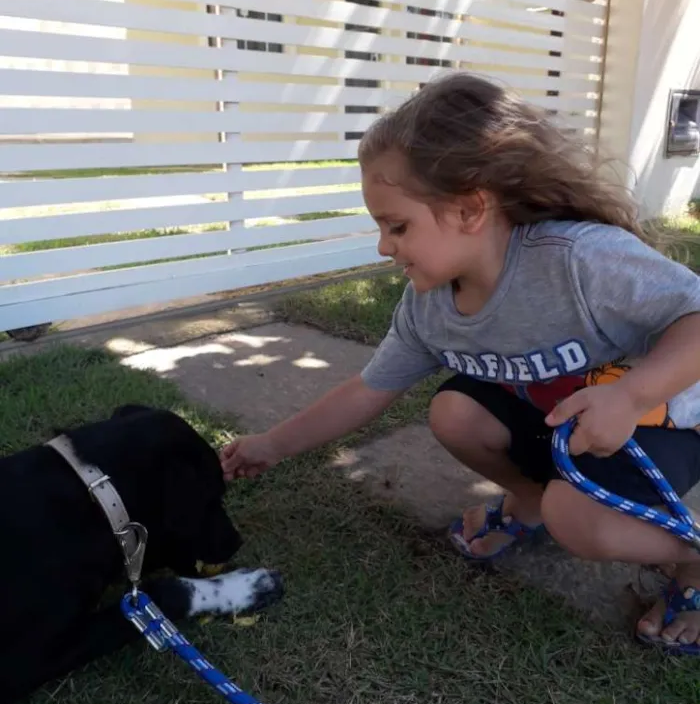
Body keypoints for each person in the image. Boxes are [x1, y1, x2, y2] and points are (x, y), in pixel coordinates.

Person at [221, 73, 700, 654]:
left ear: (471, 208)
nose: (383, 246)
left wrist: (629, 396)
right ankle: (529, 502)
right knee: (453, 410)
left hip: (666, 421)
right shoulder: (428, 308)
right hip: (564, 428)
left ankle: (690, 560)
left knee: (578, 519)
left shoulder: (578, 259)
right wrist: (270, 444)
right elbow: (367, 390)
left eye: (397, 226)